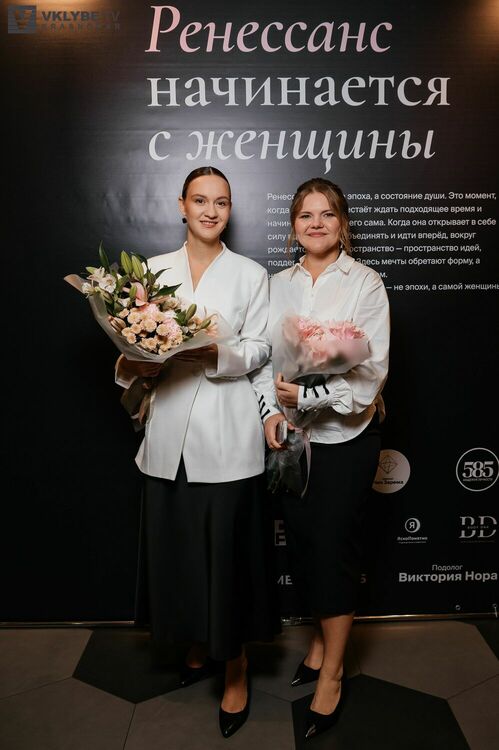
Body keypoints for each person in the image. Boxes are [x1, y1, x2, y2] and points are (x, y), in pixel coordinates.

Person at [115, 166, 277, 738]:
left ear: (230, 210)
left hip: (228, 437)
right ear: (181, 205)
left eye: (222, 202)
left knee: (227, 561)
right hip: (168, 439)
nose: (211, 211)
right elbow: (130, 349)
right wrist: (135, 364)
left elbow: (261, 348)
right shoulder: (151, 271)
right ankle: (195, 643)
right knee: (179, 555)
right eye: (201, 200)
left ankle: (234, 666)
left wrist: (215, 356)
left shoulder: (250, 274)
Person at [254, 178, 390, 740]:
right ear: (293, 225)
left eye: (327, 214)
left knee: (335, 554)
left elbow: (371, 372)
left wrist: (308, 395)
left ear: (342, 224)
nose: (316, 224)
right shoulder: (277, 285)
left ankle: (332, 675)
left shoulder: (366, 283)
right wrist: (271, 412)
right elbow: (265, 361)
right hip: (293, 441)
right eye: (306, 215)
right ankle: (316, 644)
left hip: (345, 441)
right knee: (308, 548)